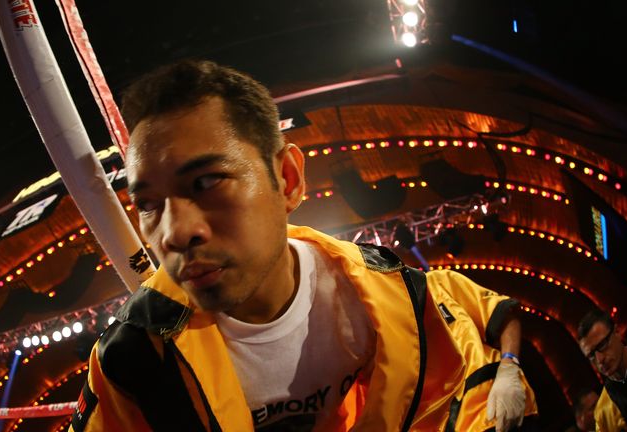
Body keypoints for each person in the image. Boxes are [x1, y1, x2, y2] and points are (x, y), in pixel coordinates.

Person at [70, 59, 483, 431]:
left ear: (287, 179)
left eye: (207, 182)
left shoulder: (399, 299)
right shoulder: (130, 361)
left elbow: (443, 403)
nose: (174, 233)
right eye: (147, 204)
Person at [427, 270, 538, 431]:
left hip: (498, 408)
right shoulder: (386, 342)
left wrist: (509, 367)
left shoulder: (435, 283)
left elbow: (505, 314)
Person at [578, 310, 627, 432]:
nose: (599, 359)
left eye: (602, 345)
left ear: (617, 332)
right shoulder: (604, 413)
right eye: (591, 355)